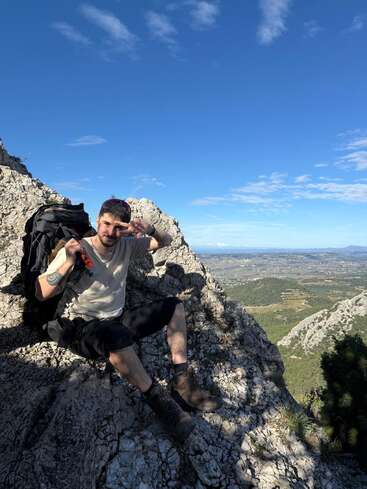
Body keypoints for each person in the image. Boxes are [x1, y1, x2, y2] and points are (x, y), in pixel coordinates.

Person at [35, 198, 219, 442]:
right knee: (116, 336)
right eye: (106, 223)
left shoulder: (126, 246)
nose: (110, 232)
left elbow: (164, 241)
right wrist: (67, 262)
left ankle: (182, 382)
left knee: (174, 306)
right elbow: (41, 292)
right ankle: (159, 401)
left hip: (116, 319)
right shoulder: (78, 249)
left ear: (125, 228)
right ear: (98, 220)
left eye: (118, 227)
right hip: (81, 327)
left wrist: (150, 228)